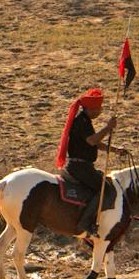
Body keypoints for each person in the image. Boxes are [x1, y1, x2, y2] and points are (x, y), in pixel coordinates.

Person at [56, 86, 113, 214]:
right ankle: (87, 221)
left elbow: (94, 143)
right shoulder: (81, 122)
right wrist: (108, 128)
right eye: (98, 108)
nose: (100, 111)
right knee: (105, 189)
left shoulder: (85, 121)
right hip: (80, 167)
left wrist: (115, 150)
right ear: (90, 109)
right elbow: (92, 141)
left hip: (82, 166)